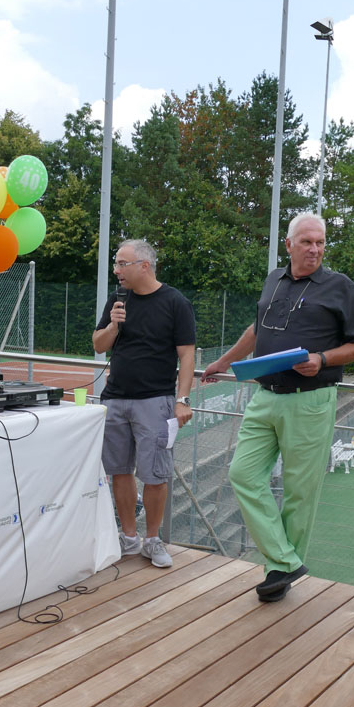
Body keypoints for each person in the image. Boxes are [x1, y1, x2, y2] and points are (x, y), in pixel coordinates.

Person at [201, 213, 354, 602]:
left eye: (321, 242)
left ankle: (277, 574)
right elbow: (256, 329)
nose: (315, 249)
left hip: (310, 400)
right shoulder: (274, 279)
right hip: (265, 395)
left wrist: (322, 359)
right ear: (289, 244)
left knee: (299, 493)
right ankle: (285, 559)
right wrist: (224, 362)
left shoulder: (340, 286)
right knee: (242, 474)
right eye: (307, 242)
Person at [94, 239, 196, 568]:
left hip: (156, 401)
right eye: (116, 263)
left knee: (155, 475)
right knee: (119, 471)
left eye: (122, 264)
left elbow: (187, 354)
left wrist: (182, 400)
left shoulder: (175, 302)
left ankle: (152, 540)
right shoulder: (117, 299)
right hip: (115, 399)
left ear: (144, 266)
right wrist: (113, 325)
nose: (116, 270)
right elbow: (98, 345)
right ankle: (128, 537)